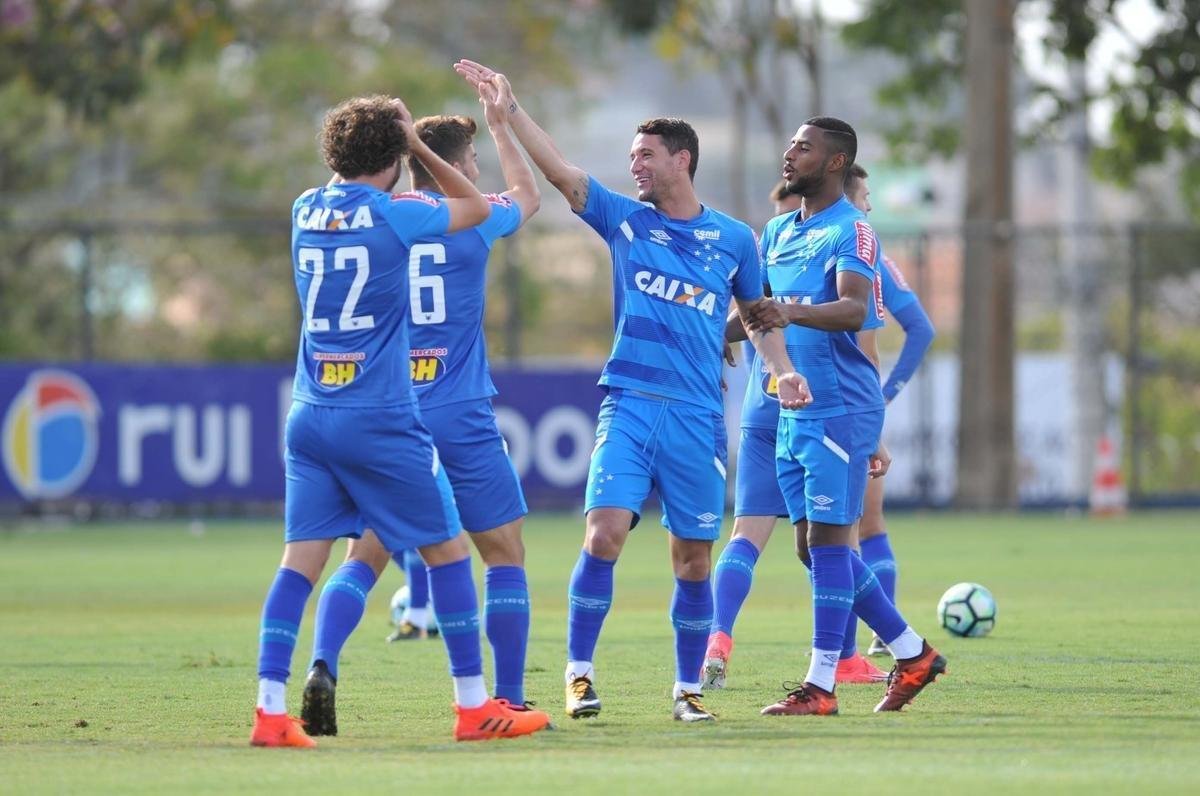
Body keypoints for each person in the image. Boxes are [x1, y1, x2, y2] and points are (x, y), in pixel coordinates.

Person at [454, 60, 812, 723]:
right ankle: (579, 675)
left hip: (699, 416)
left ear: (682, 159)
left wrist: (781, 369)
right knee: (604, 535)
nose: (636, 166)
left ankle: (685, 691)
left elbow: (759, 313)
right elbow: (561, 174)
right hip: (631, 404)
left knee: (693, 559)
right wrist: (510, 111)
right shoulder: (625, 220)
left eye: (646, 155)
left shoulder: (735, 239)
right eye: (631, 156)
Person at [248, 93, 547, 748]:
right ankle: (478, 706)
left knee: (302, 562)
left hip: (309, 411)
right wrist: (415, 144)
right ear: (395, 156)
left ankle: (270, 711)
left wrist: (396, 146)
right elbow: (476, 208)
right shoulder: (401, 215)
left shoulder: (304, 207)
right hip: (384, 413)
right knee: (449, 551)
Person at [741, 117, 946, 716]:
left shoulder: (853, 231)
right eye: (790, 144)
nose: (790, 154)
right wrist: (710, 335)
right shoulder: (776, 230)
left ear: (835, 163)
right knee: (812, 548)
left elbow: (855, 309)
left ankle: (821, 686)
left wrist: (790, 314)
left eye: (803, 147)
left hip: (839, 406)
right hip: (792, 408)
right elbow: (760, 311)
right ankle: (913, 653)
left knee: (830, 543)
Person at [703, 179, 889, 690]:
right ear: (846, 187)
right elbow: (865, 343)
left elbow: (752, 311)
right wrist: (872, 430)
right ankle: (854, 656)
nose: (867, 205)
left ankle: (718, 636)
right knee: (832, 543)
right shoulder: (851, 240)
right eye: (864, 194)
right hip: (813, 404)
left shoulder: (774, 235)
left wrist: (712, 334)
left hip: (764, 404)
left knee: (747, 536)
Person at [842, 163, 936, 657]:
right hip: (839, 409)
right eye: (865, 195)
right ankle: (883, 635)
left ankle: (856, 649)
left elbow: (915, 330)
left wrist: (883, 396)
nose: (871, 206)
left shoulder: (863, 251)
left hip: (834, 410)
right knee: (846, 531)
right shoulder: (800, 244)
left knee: (836, 534)